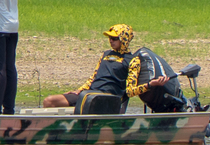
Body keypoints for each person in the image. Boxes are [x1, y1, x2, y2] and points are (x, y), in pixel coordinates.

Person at [41, 23, 171, 109]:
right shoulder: (105, 54)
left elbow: (130, 92)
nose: (111, 41)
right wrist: (79, 90)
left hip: (107, 98)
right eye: (110, 38)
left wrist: (150, 85)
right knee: (49, 101)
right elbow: (93, 77)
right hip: (89, 94)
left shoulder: (132, 61)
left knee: (85, 99)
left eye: (114, 38)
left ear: (124, 39)